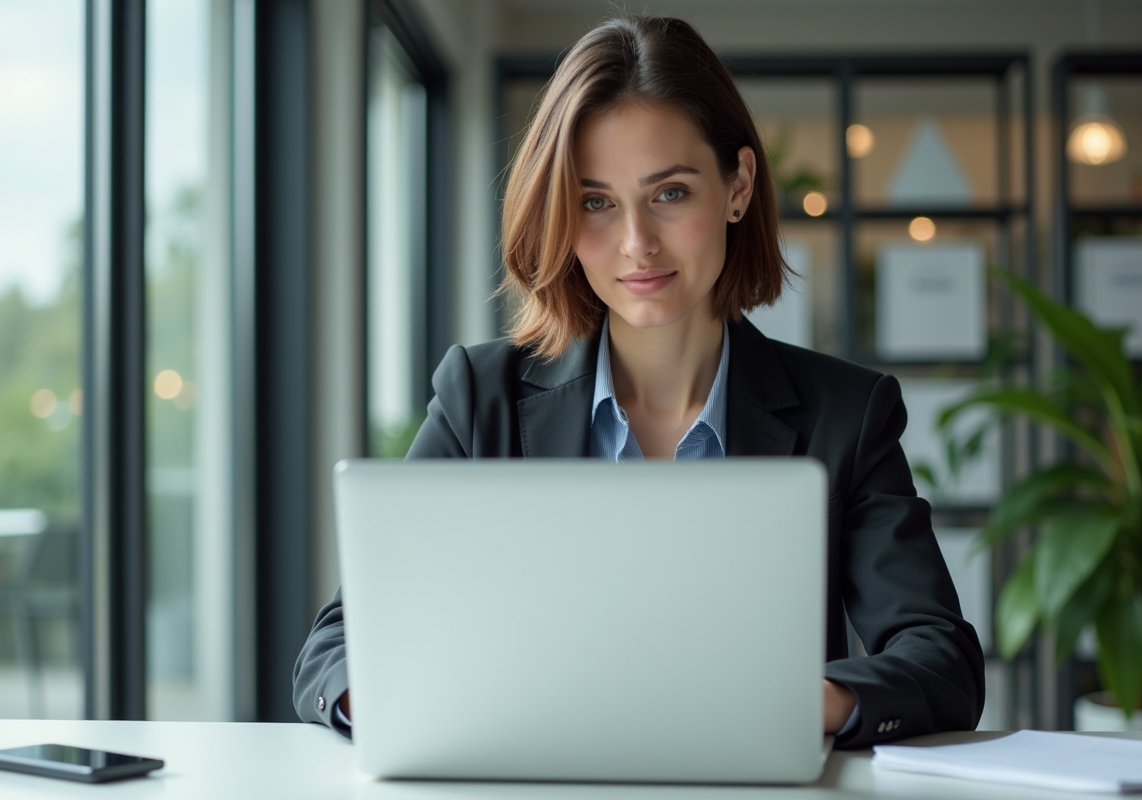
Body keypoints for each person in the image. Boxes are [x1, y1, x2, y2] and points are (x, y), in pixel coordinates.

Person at [294, 14, 984, 749]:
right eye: (595, 202)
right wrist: (399, 701)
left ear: (738, 186)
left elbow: (941, 660)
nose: (636, 243)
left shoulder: (845, 414)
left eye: (671, 193)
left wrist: (804, 703)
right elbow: (335, 647)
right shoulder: (479, 397)